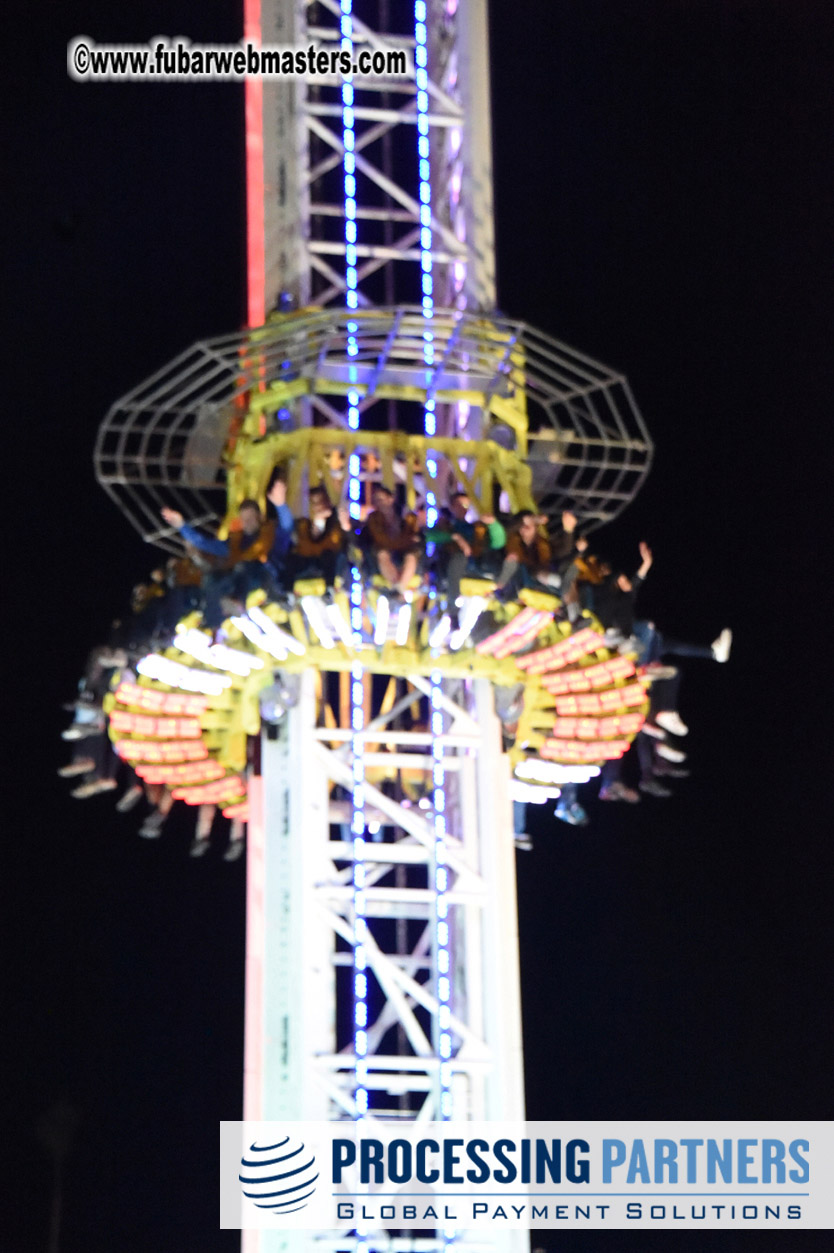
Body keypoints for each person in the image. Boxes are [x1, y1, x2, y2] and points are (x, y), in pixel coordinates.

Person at [161, 499, 280, 625]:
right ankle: (213, 623)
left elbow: (287, 526)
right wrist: (182, 526)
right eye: (244, 519)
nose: (247, 523)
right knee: (211, 579)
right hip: (242, 577)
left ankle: (239, 601)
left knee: (243, 566)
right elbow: (204, 543)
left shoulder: (271, 532)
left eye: (251, 518)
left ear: (259, 517)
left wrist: (280, 504)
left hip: (267, 573)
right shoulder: (236, 541)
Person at [422, 491, 506, 617]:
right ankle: (452, 607)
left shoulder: (474, 528)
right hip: (449, 566)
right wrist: (454, 537)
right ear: (452, 506)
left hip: (475, 566)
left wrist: (493, 525)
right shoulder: (444, 525)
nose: (462, 509)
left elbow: (498, 543)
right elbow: (429, 536)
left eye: (466, 506)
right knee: (458, 558)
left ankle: (504, 592)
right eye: (459, 505)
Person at [285, 484, 349, 587]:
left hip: (328, 564)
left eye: (320, 501)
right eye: (314, 502)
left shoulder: (335, 523)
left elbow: (337, 542)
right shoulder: (303, 524)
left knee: (328, 556)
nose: (317, 506)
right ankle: (287, 592)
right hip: (306, 561)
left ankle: (329, 589)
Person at [363, 484, 421, 593]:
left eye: (381, 499)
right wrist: (404, 541)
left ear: (391, 499)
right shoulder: (373, 518)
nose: (378, 503)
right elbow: (379, 538)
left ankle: (400, 588)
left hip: (404, 549)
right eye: (376, 500)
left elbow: (414, 535)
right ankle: (395, 587)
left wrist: (407, 541)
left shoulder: (407, 517)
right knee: (382, 553)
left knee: (411, 555)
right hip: (384, 549)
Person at [495, 511, 560, 600]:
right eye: (522, 527)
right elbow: (564, 549)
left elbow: (505, 532)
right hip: (526, 572)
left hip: (531, 573)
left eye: (527, 526)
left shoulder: (542, 543)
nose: (524, 528)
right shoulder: (513, 540)